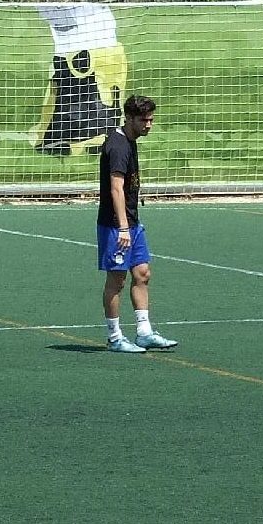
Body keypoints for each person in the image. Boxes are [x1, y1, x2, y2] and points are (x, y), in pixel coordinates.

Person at [98, 94, 176, 353]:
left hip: (133, 223)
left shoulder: (130, 140)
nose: (149, 125)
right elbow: (116, 189)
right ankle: (115, 337)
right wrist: (122, 228)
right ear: (129, 118)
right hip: (115, 226)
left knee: (142, 274)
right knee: (117, 280)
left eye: (151, 120)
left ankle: (144, 332)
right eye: (144, 120)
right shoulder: (118, 146)